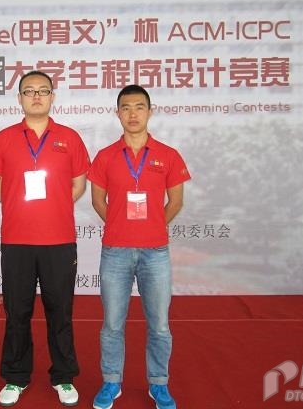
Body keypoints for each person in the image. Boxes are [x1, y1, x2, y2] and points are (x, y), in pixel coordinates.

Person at [0, 70, 90, 407]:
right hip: (17, 240)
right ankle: (16, 377)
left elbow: (78, 185)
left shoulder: (69, 138)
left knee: (61, 311)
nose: (36, 96)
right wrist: (22, 206)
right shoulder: (3, 139)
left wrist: (52, 206)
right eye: (29, 91)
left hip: (59, 240)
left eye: (43, 90)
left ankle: (64, 375)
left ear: (52, 96)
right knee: (17, 311)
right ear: (19, 98)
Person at [87, 85, 190, 409]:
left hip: (155, 253)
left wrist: (152, 226)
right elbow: (98, 201)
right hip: (115, 252)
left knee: (159, 324)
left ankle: (159, 384)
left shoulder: (168, 155)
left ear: (150, 111)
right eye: (126, 107)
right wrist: (121, 224)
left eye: (139, 107)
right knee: (112, 324)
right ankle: (111, 381)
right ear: (117, 113)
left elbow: (176, 202)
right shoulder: (105, 156)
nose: (133, 114)